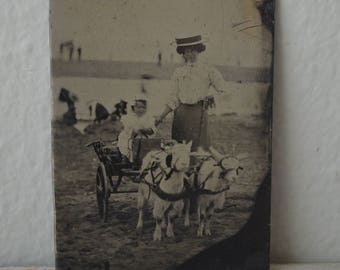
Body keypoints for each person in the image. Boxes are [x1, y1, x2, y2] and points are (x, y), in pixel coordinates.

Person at [155, 35, 230, 152]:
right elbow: (173, 98)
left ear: (199, 50)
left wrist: (212, 96)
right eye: (187, 51)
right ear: (183, 54)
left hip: (199, 113)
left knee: (199, 150)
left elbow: (224, 90)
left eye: (193, 50)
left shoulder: (209, 70)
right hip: (180, 115)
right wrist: (160, 117)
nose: (190, 54)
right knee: (179, 150)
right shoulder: (178, 72)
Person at [117, 98, 156, 163]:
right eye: (138, 107)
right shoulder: (129, 118)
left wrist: (147, 130)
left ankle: (143, 160)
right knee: (127, 145)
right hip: (129, 137)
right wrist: (134, 132)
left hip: (144, 137)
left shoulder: (148, 118)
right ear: (133, 108)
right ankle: (127, 158)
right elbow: (128, 129)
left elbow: (152, 129)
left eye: (143, 107)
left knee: (147, 145)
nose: (141, 109)